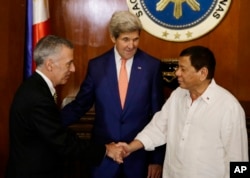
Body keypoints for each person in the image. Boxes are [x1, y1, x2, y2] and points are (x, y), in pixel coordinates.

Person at [61, 11, 165, 178]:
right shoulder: (97, 66)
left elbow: (160, 116)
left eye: (135, 39)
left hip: (138, 158)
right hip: (104, 157)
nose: (131, 45)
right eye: (125, 39)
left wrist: (157, 159)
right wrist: (50, 123)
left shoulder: (151, 66)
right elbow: (80, 105)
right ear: (113, 38)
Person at [118, 45, 249, 178]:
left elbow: (239, 159)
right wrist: (129, 148)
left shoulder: (229, 107)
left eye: (183, 69)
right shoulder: (178, 95)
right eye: (178, 67)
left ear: (203, 73)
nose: (177, 73)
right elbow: (157, 128)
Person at [5, 35, 125, 178]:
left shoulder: (36, 88)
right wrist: (105, 150)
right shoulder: (37, 97)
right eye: (69, 63)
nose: (73, 69)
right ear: (50, 65)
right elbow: (62, 141)